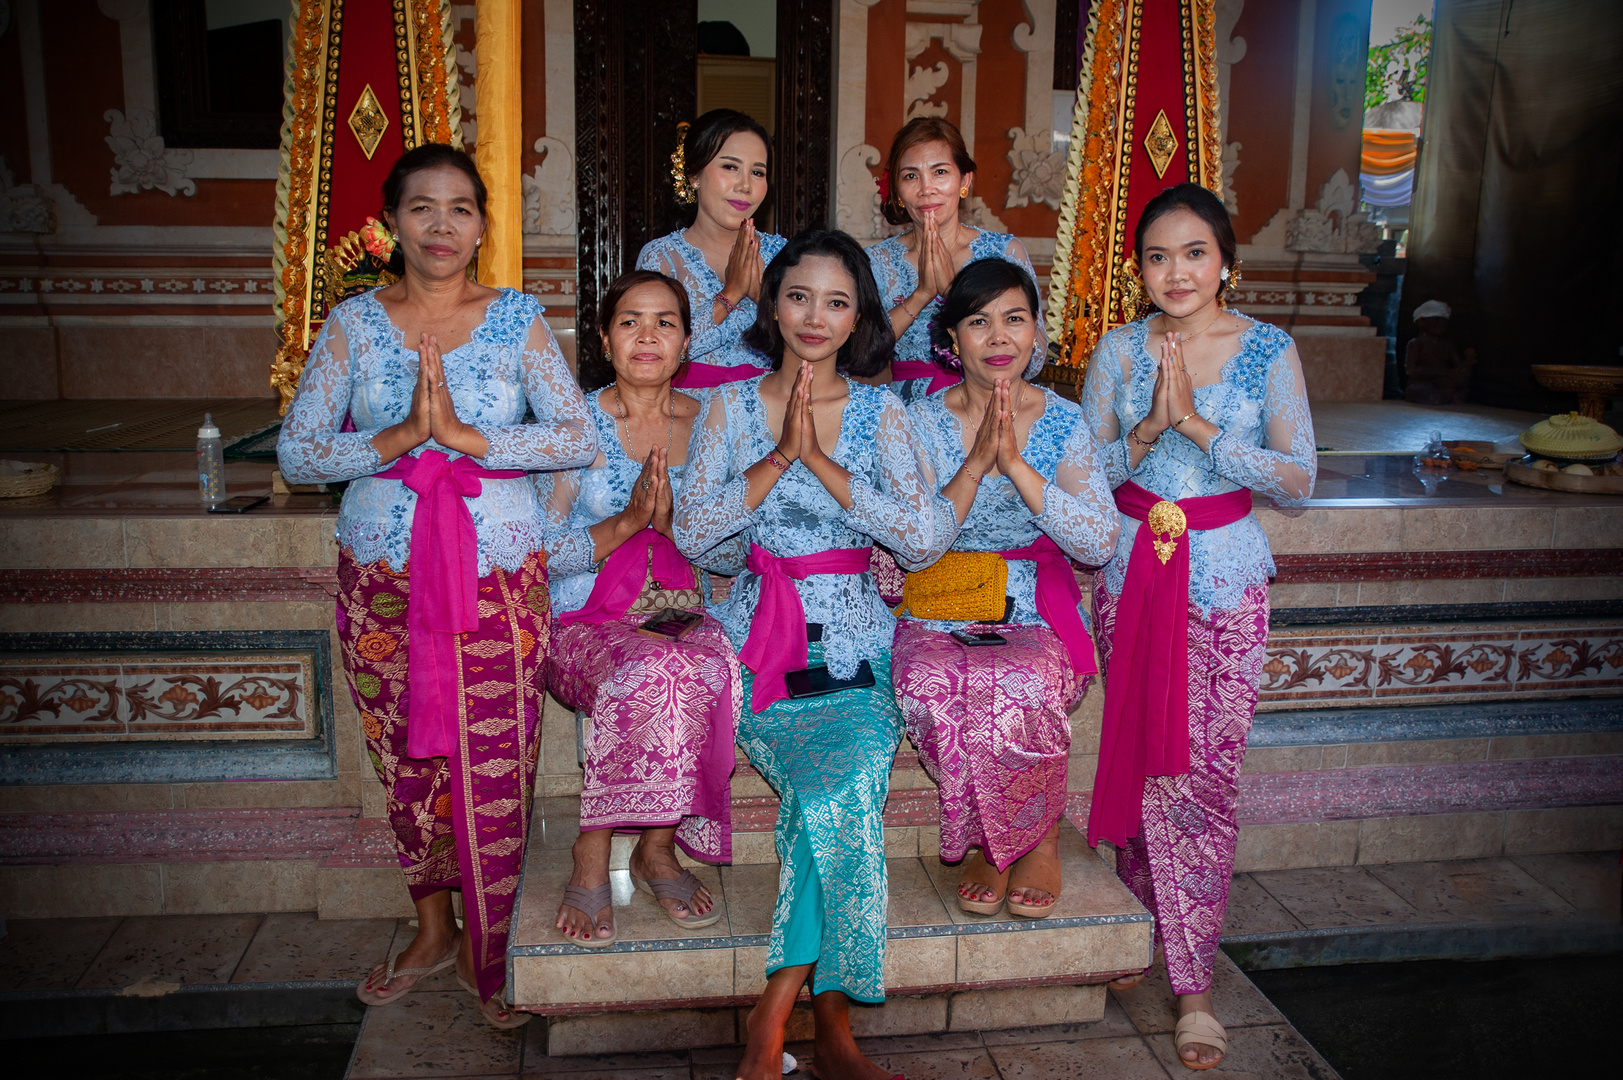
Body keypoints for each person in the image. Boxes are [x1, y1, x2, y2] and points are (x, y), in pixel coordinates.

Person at [277, 144, 597, 1028]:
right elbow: (299, 453)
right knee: (405, 754)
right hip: (382, 572)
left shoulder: (517, 319)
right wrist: (394, 441)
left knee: (495, 754)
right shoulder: (352, 324)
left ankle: (489, 949)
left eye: (461, 208)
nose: (443, 225)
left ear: (484, 225)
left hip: (496, 566)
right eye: (422, 208)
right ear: (392, 225)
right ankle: (432, 929)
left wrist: (462, 437)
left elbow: (576, 435)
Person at [673, 229, 950, 1080]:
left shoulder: (884, 412)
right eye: (799, 297)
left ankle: (781, 1014)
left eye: (837, 301)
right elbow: (701, 540)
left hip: (859, 651)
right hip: (759, 647)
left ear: (860, 313)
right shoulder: (727, 409)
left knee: (839, 791)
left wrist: (825, 466)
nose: (815, 317)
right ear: (773, 303)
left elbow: (923, 538)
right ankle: (831, 1027)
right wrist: (777, 459)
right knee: (830, 796)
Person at [1080, 182, 1316, 1070]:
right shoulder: (1114, 349)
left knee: (1201, 778)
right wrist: (1146, 431)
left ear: (1225, 260)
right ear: (1136, 266)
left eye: (1193, 253)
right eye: (1155, 255)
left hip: (1223, 582)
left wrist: (1198, 428)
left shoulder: (1266, 350)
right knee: (1147, 757)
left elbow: (1298, 478)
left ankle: (1194, 986)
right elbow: (1085, 478)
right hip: (1130, 574)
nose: (1174, 272)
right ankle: (1149, 932)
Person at [890, 259, 1118, 919]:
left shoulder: (1063, 421)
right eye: (978, 321)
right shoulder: (917, 422)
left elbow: (1097, 542)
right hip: (938, 605)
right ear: (950, 339)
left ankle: (1032, 841)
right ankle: (998, 836)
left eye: (1013, 319)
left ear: (1034, 333)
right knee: (932, 686)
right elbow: (913, 543)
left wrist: (1016, 465)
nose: (998, 337)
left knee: (1025, 681)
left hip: (1034, 608)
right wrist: (974, 465)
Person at [535, 270, 745, 945]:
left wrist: (683, 523)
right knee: (648, 673)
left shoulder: (715, 423)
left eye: (664, 322)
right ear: (604, 338)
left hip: (684, 614)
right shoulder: (575, 427)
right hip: (586, 624)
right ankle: (592, 851)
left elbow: (739, 551)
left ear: (687, 342)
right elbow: (537, 552)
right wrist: (627, 523)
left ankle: (656, 845)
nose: (647, 335)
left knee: (708, 664)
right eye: (630, 321)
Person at [866, 117, 1046, 404]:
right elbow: (860, 356)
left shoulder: (1004, 251)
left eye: (939, 172)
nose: (927, 188)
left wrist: (954, 293)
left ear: (965, 180)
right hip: (902, 413)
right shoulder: (876, 261)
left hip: (986, 405)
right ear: (897, 191)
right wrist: (922, 294)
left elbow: (1035, 359)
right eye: (911, 176)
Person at [636, 109, 787, 389]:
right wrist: (731, 293)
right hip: (687, 415)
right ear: (694, 174)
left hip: (769, 416)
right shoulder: (662, 257)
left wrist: (759, 294)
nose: (745, 186)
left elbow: (813, 345)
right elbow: (655, 351)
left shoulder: (784, 254)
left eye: (757, 172)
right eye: (730, 167)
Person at [1404, 299, 1476, 404]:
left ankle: (1448, 395)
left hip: (1442, 383)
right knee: (1423, 392)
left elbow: (1457, 370)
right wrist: (1440, 372)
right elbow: (1411, 370)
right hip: (1423, 384)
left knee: (1459, 389)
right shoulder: (1416, 343)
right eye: (1435, 319)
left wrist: (1466, 364)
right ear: (1422, 322)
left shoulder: (1447, 345)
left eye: (1443, 320)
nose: (1441, 323)